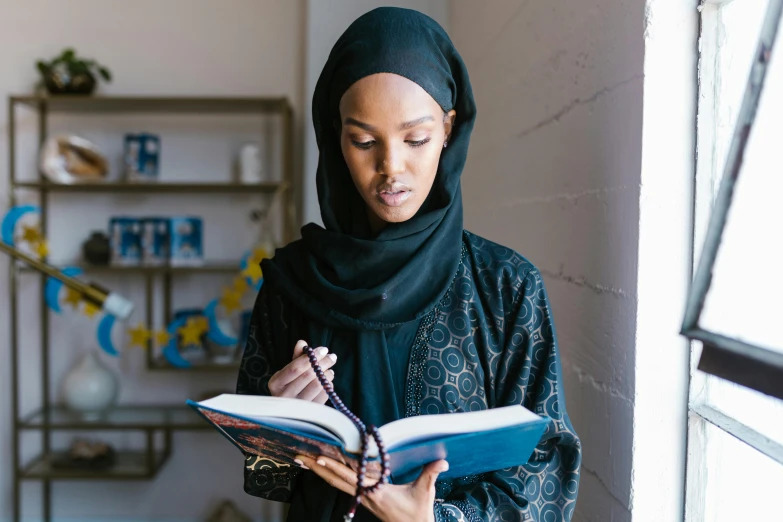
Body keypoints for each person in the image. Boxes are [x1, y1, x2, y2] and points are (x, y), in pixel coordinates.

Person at [236, 7, 581, 522]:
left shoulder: (506, 288)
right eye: (364, 141)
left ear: (448, 129)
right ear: (336, 138)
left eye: (415, 139)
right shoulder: (293, 284)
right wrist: (278, 424)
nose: (390, 167)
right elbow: (267, 474)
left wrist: (431, 519)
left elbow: (546, 477)